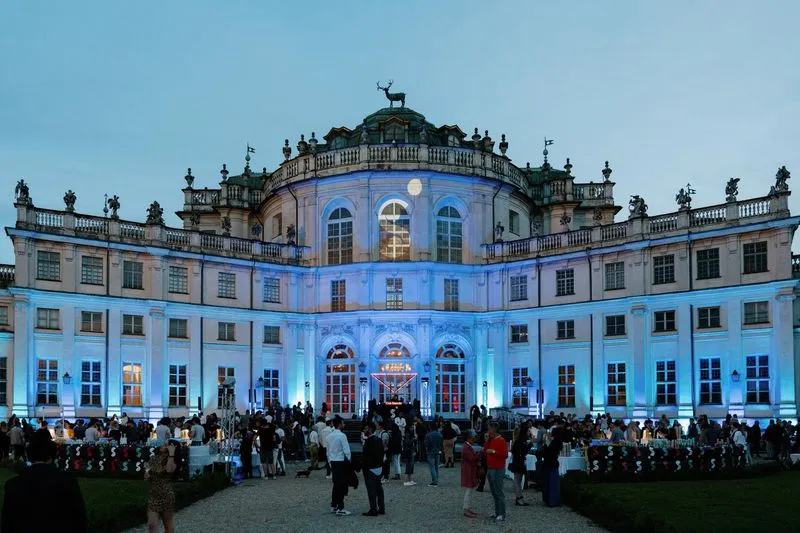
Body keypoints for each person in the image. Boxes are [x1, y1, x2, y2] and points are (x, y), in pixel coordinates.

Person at [1, 432, 88, 532]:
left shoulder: (13, 484)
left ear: (29, 456)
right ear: (52, 456)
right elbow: (79, 517)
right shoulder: (67, 481)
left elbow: (7, 521)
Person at [146, 441, 178, 533]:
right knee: (152, 524)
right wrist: (147, 473)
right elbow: (148, 469)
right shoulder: (153, 458)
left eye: (167, 444)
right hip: (153, 495)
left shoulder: (172, 461)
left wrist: (171, 454)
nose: (164, 444)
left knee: (168, 525)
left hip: (166, 496)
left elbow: (169, 470)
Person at [326, 416, 352, 516]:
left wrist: (329, 463)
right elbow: (347, 451)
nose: (344, 425)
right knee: (341, 485)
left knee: (336, 484)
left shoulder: (329, 436)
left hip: (333, 462)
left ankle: (334, 505)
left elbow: (327, 452)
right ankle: (340, 507)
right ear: (340, 424)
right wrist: (349, 461)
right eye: (343, 423)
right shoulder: (342, 436)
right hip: (341, 462)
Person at [484, 422, 508, 522]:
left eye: (489, 429)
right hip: (491, 467)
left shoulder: (501, 440)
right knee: (494, 492)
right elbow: (486, 451)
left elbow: (505, 455)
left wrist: (493, 452)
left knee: (498, 491)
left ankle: (502, 514)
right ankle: (497, 512)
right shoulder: (491, 440)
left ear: (493, 430)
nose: (488, 431)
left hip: (498, 468)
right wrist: (486, 441)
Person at [361, 422, 386, 516]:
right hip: (379, 467)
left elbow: (366, 457)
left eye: (366, 428)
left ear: (370, 429)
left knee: (371, 490)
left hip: (370, 469)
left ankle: (373, 509)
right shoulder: (378, 439)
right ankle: (382, 508)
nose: (364, 430)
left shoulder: (369, 441)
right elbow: (382, 453)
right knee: (379, 489)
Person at [509, 427, 531, 506]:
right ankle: (519, 498)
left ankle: (519, 497)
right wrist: (530, 444)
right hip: (518, 463)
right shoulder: (519, 442)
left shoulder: (518, 441)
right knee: (517, 481)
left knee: (518, 481)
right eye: (528, 431)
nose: (529, 432)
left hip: (518, 463)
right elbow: (521, 453)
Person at [460, 430, 479, 518]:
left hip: (468, 470)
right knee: (468, 491)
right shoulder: (467, 447)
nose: (474, 439)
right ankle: (466, 509)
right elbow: (472, 458)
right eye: (473, 437)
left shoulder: (466, 446)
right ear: (469, 438)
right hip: (468, 471)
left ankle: (467, 508)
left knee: (469, 491)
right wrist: (480, 453)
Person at [402, 422, 416, 486]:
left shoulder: (410, 434)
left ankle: (409, 479)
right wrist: (414, 439)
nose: (412, 428)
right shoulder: (407, 434)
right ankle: (406, 480)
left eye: (413, 427)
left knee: (411, 465)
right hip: (408, 451)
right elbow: (408, 442)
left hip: (411, 451)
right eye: (411, 427)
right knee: (409, 465)